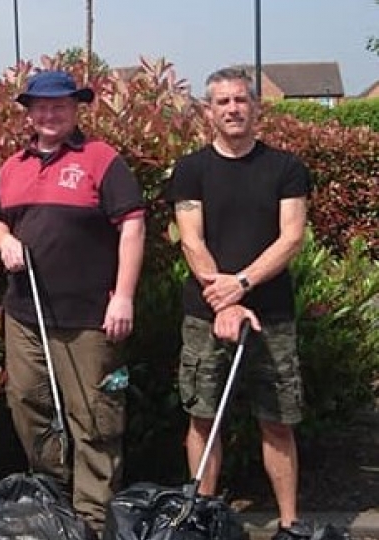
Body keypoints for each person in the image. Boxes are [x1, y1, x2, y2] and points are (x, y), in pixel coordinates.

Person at [0, 69, 146, 534]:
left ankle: (92, 519)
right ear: (29, 113)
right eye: (40, 107)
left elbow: (132, 228)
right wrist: (4, 241)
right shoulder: (13, 166)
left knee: (94, 418)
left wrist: (125, 298)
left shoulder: (102, 160)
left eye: (59, 106)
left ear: (76, 109)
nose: (49, 114)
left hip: (90, 319)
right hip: (24, 317)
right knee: (27, 405)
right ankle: (53, 501)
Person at [167, 67, 311, 540]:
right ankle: (203, 519)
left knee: (278, 421)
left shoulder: (287, 168)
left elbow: (291, 238)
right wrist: (224, 303)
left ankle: (289, 525)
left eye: (240, 100)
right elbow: (192, 240)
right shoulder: (191, 169)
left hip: (271, 314)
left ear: (256, 106)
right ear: (208, 111)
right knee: (203, 416)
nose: (232, 109)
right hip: (205, 312)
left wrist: (242, 284)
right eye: (222, 102)